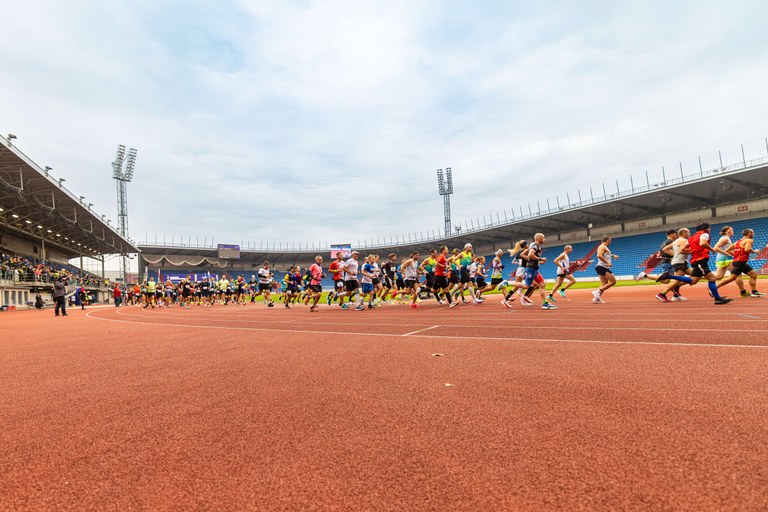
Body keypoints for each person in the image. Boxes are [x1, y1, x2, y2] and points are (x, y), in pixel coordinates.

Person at [687, 222, 733, 305]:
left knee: (712, 278)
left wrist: (694, 251)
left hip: (698, 260)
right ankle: (669, 276)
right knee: (694, 281)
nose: (710, 229)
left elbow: (685, 248)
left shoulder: (692, 237)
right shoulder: (704, 234)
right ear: (706, 228)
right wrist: (711, 249)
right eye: (709, 228)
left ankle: (717, 298)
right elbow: (702, 243)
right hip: (700, 260)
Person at [716, 228, 764, 297]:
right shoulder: (749, 240)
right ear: (749, 234)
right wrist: (754, 251)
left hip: (739, 262)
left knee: (753, 275)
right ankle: (715, 288)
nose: (753, 234)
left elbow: (727, 250)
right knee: (731, 278)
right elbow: (747, 249)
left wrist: (735, 254)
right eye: (753, 233)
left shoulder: (737, 242)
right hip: (740, 262)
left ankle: (754, 291)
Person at [521, 233, 557, 310]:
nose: (544, 239)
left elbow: (530, 258)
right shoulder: (535, 246)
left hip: (535, 268)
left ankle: (545, 304)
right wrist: (540, 259)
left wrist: (539, 262)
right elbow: (530, 255)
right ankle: (507, 283)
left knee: (542, 284)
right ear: (539, 238)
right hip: (531, 268)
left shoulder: (535, 246)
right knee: (527, 286)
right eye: (543, 238)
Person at [712, 226, 747, 298]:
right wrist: (727, 254)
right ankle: (743, 292)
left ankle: (700, 278)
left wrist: (732, 253)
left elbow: (725, 249)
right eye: (732, 230)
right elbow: (715, 248)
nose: (733, 232)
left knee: (719, 276)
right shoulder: (725, 238)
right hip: (726, 259)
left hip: (721, 258)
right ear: (728, 231)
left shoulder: (725, 238)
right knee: (737, 274)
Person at [592, 236, 618, 304]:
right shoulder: (602, 246)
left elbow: (606, 254)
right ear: (608, 240)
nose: (610, 243)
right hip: (602, 267)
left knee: (604, 283)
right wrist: (607, 262)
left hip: (600, 267)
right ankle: (597, 292)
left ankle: (596, 299)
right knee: (613, 282)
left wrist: (613, 255)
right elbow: (599, 255)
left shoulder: (604, 247)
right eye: (610, 241)